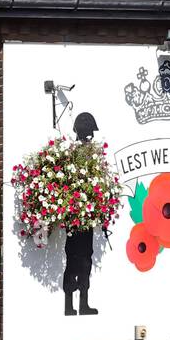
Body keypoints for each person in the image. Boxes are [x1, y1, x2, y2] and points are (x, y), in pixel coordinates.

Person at [62, 112, 100, 316]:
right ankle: (70, 304)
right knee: (74, 259)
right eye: (88, 133)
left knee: (85, 259)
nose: (90, 137)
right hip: (75, 218)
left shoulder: (90, 153)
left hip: (86, 218)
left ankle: (83, 303)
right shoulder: (75, 155)